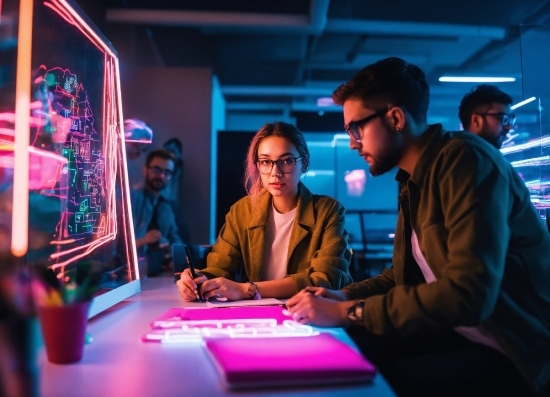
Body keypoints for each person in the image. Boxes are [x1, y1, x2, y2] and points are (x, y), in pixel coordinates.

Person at [285, 58, 550, 396]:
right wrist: (343, 295)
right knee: (343, 351)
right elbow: (402, 277)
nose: (353, 142)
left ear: (396, 118)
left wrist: (346, 311)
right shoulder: (413, 178)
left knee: (369, 380)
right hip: (464, 332)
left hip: (515, 354)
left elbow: (469, 296)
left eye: (357, 128)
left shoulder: (465, 161)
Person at [176, 122, 353, 302]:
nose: (275, 172)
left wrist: (248, 289)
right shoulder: (242, 211)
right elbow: (219, 269)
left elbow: (326, 279)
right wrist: (199, 280)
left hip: (311, 314)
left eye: (286, 161)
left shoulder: (328, 211)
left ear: (304, 163)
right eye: (266, 162)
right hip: (259, 316)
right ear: (258, 165)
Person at [131, 149, 183, 276]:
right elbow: (116, 246)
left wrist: (172, 250)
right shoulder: (131, 201)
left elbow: (175, 239)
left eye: (167, 172)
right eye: (156, 169)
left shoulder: (166, 206)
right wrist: (143, 241)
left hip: (159, 274)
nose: (161, 176)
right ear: (145, 170)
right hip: (131, 275)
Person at [458, 84, 514, 149]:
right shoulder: (466, 156)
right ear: (476, 120)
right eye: (501, 117)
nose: (509, 127)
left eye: (510, 119)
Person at [124, 119, 153, 190]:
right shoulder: (114, 160)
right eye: (135, 145)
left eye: (142, 145)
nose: (139, 149)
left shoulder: (143, 161)